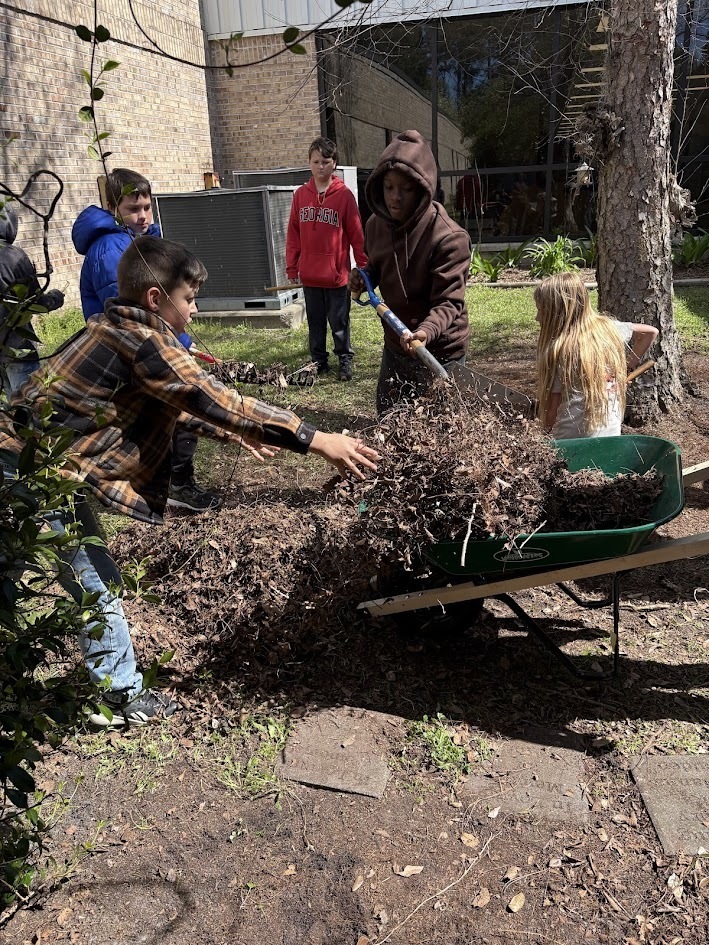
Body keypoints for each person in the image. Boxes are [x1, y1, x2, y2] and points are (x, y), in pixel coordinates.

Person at [0, 236, 379, 728]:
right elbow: (211, 396)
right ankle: (120, 698)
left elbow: (169, 403)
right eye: (190, 298)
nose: (196, 310)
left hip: (27, 461)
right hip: (32, 467)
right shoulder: (144, 341)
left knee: (27, 571)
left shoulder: (113, 326)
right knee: (96, 583)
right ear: (156, 298)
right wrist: (316, 438)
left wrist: (230, 432)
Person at [71, 167, 218, 513]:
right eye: (132, 209)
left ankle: (162, 479)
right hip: (129, 350)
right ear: (112, 209)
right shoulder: (110, 250)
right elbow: (134, 313)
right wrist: (175, 343)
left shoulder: (140, 242)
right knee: (178, 404)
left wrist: (181, 339)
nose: (142, 216)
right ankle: (175, 482)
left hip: (149, 342)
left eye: (147, 207)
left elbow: (160, 304)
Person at [347, 130, 471, 414]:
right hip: (396, 344)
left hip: (440, 350)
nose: (395, 197)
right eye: (389, 187)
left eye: (406, 189)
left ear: (423, 188)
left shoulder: (449, 238)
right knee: (390, 419)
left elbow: (449, 302)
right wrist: (365, 278)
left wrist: (425, 332)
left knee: (441, 428)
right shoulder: (375, 225)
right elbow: (378, 265)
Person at [535, 272, 659, 438]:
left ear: (558, 311)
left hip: (571, 439)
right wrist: (626, 368)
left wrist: (543, 437)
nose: (537, 317)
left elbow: (552, 408)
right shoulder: (610, 328)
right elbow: (651, 332)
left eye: (541, 310)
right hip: (610, 435)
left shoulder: (560, 349)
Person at [286, 137, 366, 382]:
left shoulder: (344, 196)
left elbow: (356, 234)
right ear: (309, 164)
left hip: (337, 276)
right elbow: (293, 234)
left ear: (334, 163)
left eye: (326, 161)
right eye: (316, 162)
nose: (321, 166)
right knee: (316, 323)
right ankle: (318, 361)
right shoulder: (301, 195)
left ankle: (344, 360)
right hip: (311, 275)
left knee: (339, 321)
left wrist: (363, 266)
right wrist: (292, 267)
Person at [1, 203, 64, 397]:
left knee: (8, 405)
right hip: (16, 347)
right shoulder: (12, 255)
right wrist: (56, 297)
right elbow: (35, 303)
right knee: (29, 401)